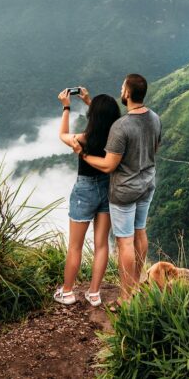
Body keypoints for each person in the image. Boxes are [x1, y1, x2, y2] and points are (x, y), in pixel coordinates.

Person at [80, 74, 161, 295]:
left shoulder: (121, 126)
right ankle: (134, 284)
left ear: (127, 93)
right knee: (140, 232)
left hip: (124, 191)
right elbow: (155, 147)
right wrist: (90, 103)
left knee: (125, 242)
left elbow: (107, 165)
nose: (120, 90)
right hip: (147, 185)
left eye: (122, 87)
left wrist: (83, 154)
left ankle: (126, 298)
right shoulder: (154, 117)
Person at [53, 87, 120, 307]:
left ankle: (68, 291)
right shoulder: (116, 139)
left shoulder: (83, 139)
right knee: (102, 245)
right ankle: (94, 293)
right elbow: (104, 119)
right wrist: (90, 101)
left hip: (84, 191)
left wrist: (66, 107)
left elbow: (62, 135)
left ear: (93, 117)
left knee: (75, 246)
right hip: (107, 189)